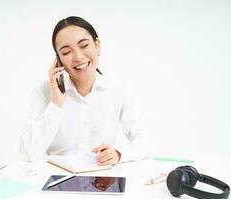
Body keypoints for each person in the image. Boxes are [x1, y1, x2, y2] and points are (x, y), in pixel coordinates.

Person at [20, 16, 151, 165]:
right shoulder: (43, 92)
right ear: (58, 60)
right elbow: (29, 152)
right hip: (56, 177)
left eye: (84, 45)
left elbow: (145, 142)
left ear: (97, 45)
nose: (78, 57)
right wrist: (56, 103)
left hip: (102, 180)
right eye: (66, 52)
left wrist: (119, 154)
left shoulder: (119, 89)